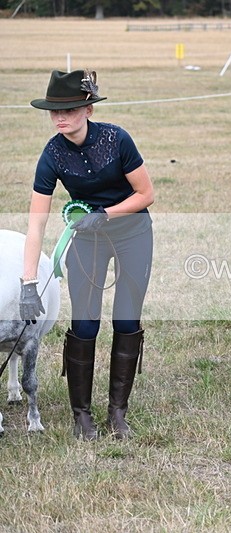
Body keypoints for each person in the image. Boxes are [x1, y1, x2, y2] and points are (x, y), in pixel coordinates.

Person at [21, 69, 155, 440]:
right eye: (54, 111)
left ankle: (117, 413)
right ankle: (81, 415)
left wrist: (105, 214)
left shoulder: (117, 139)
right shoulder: (52, 154)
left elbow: (146, 194)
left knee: (126, 320)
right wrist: (28, 282)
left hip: (132, 234)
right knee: (84, 325)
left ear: (88, 110)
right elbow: (36, 224)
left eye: (69, 109)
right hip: (86, 240)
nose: (60, 117)